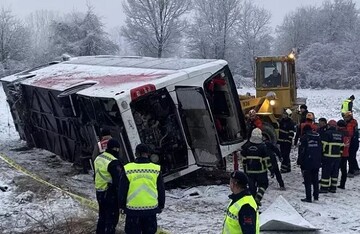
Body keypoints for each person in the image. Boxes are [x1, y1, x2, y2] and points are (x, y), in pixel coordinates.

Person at [119, 143, 165, 234]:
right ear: (147, 154)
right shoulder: (156, 169)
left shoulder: (128, 168)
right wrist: (161, 205)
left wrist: (121, 206)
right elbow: (161, 189)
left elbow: (122, 190)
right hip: (150, 211)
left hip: (132, 211)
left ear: (136, 154)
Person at [94, 138, 123, 234]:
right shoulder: (113, 162)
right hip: (110, 194)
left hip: (99, 192)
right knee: (111, 220)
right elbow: (118, 181)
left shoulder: (98, 158)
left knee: (102, 218)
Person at [241, 128, 272, 206]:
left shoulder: (246, 146)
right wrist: (271, 169)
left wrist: (245, 170)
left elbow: (243, 160)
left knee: (252, 189)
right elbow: (266, 160)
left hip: (249, 171)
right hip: (261, 172)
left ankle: (253, 207)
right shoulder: (263, 147)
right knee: (264, 185)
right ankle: (258, 198)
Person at [298, 125, 322, 203]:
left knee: (307, 181)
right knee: (315, 179)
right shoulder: (318, 137)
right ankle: (316, 196)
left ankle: (308, 197)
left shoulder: (304, 138)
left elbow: (302, 151)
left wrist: (300, 162)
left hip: (307, 162)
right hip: (317, 161)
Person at [319, 120, 344, 193]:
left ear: (329, 126)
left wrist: (321, 154)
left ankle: (324, 188)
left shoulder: (327, 133)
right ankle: (333, 188)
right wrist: (340, 154)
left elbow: (323, 145)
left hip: (328, 157)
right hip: (337, 157)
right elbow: (342, 146)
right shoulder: (340, 134)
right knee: (334, 173)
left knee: (326, 173)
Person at [278, 109, 295, 173]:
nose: (284, 115)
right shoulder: (281, 121)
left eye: (285, 114)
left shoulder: (290, 123)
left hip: (287, 142)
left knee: (285, 155)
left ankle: (284, 169)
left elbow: (291, 133)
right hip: (282, 141)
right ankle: (288, 167)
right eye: (283, 114)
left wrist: (289, 140)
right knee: (284, 155)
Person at [343, 111, 360, 177]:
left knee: (350, 157)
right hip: (354, 142)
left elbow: (349, 133)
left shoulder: (351, 123)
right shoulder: (353, 122)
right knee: (352, 156)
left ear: (349, 117)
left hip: (352, 142)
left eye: (346, 117)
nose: (344, 118)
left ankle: (351, 171)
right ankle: (356, 169)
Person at [337, 120, 350, 189]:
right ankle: (342, 184)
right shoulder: (347, 132)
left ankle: (332, 184)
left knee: (335, 169)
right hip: (346, 153)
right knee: (344, 170)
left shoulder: (340, 133)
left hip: (339, 154)